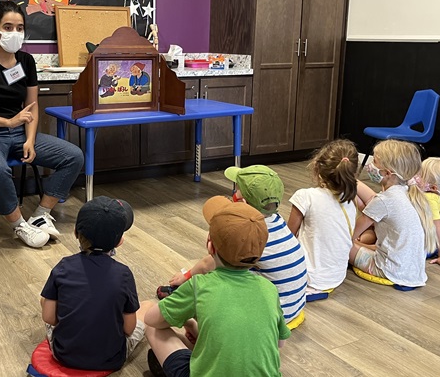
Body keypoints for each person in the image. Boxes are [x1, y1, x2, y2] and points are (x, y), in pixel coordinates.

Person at [0, 0, 84, 248]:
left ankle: (40, 215)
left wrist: (29, 138)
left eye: (19, 27)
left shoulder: (26, 61)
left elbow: (32, 105)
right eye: (8, 26)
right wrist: (7, 120)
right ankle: (19, 225)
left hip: (18, 134)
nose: (14, 33)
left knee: (73, 156)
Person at [144, 196, 290, 377]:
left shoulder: (199, 285)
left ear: (210, 246)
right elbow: (280, 343)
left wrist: (188, 321)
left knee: (153, 329)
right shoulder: (269, 288)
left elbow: (151, 320)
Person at [158, 165, 306, 326]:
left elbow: (209, 263)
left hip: (268, 318)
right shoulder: (277, 221)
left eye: (236, 190)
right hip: (294, 306)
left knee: (218, 274)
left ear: (242, 202)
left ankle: (182, 305)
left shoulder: (245, 231)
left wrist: (185, 277)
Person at [40, 196, 152, 371]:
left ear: (76, 232)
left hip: (63, 354)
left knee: (46, 300)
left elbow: (48, 318)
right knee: (147, 307)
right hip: (111, 358)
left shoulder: (63, 267)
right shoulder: (123, 274)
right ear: (119, 241)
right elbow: (129, 329)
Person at [349, 140, 428, 288]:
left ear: (387, 173)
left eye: (375, 161)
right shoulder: (406, 192)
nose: (370, 165)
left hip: (387, 269)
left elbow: (350, 235)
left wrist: (350, 242)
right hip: (412, 270)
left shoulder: (385, 200)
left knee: (340, 244)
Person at [287, 139, 359, 300]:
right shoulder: (350, 200)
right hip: (336, 277)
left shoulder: (305, 196)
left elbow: (288, 237)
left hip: (307, 277)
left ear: (317, 168)